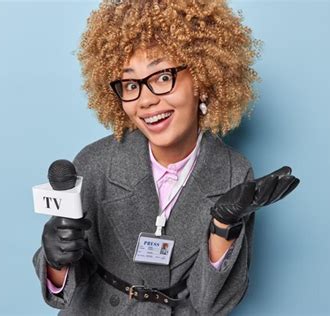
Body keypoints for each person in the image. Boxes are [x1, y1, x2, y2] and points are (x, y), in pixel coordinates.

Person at [32, 0, 300, 315]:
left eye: (162, 77)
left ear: (202, 78)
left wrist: (223, 226)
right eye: (131, 84)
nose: (146, 100)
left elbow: (212, 303)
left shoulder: (233, 172)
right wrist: (55, 261)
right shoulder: (95, 163)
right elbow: (60, 293)